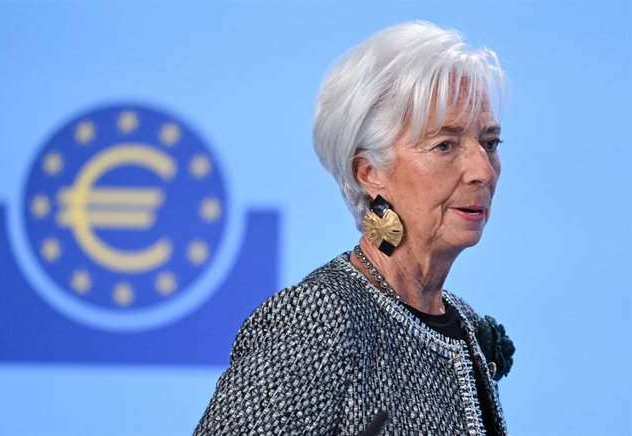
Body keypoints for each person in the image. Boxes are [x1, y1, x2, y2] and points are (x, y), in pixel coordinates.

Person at [194, 21, 515, 435]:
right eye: (445, 145)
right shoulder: (317, 320)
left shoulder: (467, 325)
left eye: (489, 143)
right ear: (369, 173)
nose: (482, 171)